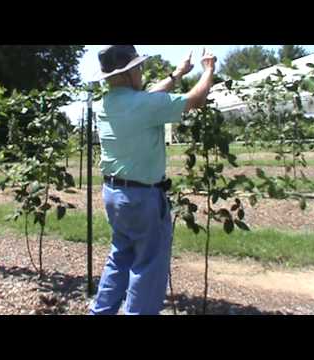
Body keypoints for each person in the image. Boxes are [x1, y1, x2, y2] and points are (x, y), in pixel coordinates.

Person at [89, 45, 216, 315]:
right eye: (138, 68)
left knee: (120, 256)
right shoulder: (143, 105)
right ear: (128, 73)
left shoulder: (105, 104)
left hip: (114, 195)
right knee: (148, 267)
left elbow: (148, 98)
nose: (142, 72)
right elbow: (196, 99)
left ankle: (100, 311)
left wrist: (178, 73)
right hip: (143, 198)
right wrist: (209, 70)